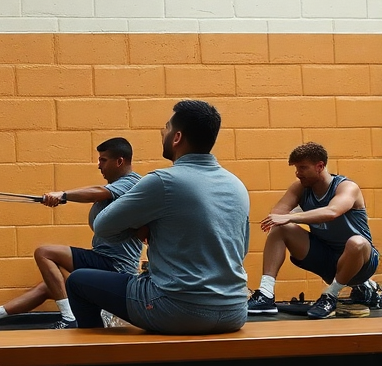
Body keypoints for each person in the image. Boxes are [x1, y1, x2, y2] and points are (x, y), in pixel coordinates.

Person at [65, 100, 250, 334]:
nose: (163, 132)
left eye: (167, 127)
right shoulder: (237, 185)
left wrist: (141, 228)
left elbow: (102, 226)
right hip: (235, 311)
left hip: (177, 310)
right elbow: (240, 250)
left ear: (177, 137)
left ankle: (96, 362)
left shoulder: (163, 181)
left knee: (78, 281)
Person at [0, 138, 144, 331]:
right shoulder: (117, 187)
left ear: (120, 161)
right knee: (50, 285)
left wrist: (63, 195)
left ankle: (69, 318)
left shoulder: (132, 183)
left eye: (103, 160)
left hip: (115, 266)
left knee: (44, 253)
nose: (98, 165)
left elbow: (97, 192)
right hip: (102, 258)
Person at [246, 143, 379, 320]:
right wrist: (290, 215)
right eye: (296, 168)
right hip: (327, 259)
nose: (297, 173)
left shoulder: (346, 187)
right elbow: (277, 216)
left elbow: (332, 212)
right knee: (281, 228)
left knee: (357, 242)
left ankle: (330, 296)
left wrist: (292, 216)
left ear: (320, 166)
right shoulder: (300, 188)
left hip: (360, 262)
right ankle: (265, 294)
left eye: (302, 168)